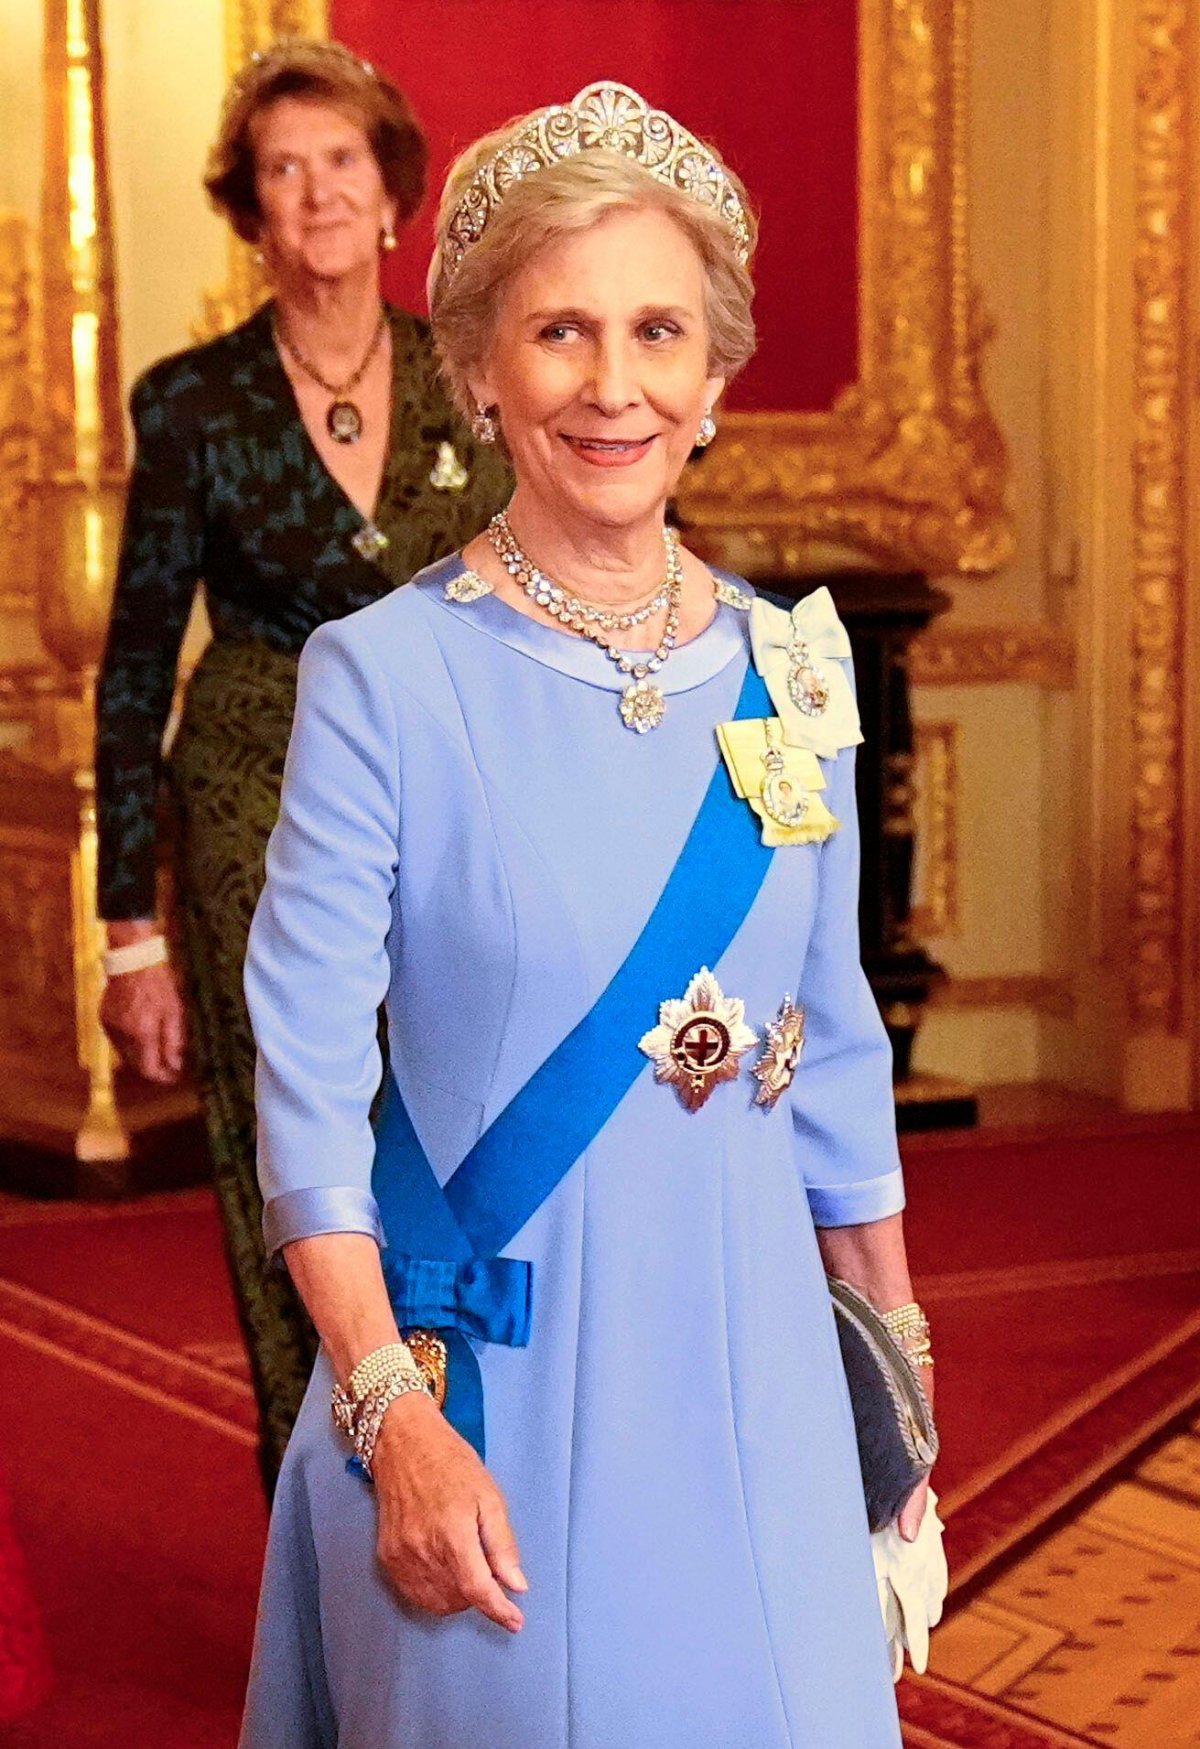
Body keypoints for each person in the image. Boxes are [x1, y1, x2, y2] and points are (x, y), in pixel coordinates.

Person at [240, 82, 940, 1747]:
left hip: (762, 1379)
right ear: (481, 370)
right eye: (561, 332)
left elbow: (833, 1055)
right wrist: (392, 1413)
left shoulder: (793, 668)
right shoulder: (381, 679)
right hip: (492, 1393)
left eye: (656, 332)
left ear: (713, 379)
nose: (613, 384)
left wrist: (898, 1408)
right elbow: (310, 1098)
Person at [94, 39, 508, 1496]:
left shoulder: (474, 374)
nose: (317, 193)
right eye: (284, 168)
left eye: (342, 161)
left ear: (392, 191)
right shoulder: (192, 402)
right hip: (248, 810)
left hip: (450, 807)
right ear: (251, 209)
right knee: (294, 1163)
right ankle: (322, 1522)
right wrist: (128, 932)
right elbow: (138, 659)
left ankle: (464, 1476)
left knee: (459, 1142)